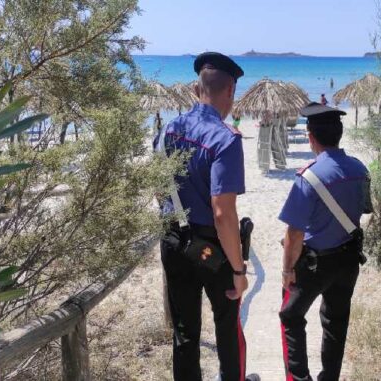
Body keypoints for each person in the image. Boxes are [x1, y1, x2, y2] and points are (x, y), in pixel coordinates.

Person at [154, 52, 259, 381]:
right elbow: (222, 213)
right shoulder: (225, 139)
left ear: (198, 89)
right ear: (230, 91)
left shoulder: (169, 130)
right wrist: (239, 270)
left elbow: (157, 185)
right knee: (226, 330)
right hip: (211, 248)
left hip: (174, 239)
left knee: (185, 334)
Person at [278, 102, 373, 381]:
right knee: (335, 321)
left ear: (311, 137)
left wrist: (287, 270)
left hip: (315, 263)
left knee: (291, 316)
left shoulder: (308, 176)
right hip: (348, 259)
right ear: (339, 134)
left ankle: (300, 378)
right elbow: (365, 209)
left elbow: (293, 233)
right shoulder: (360, 168)